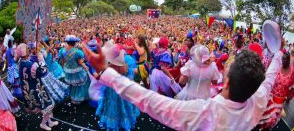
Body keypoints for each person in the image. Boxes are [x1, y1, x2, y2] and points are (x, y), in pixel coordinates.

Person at [83, 41, 283, 130]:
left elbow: (149, 100)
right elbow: (270, 77)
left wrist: (105, 71)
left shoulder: (204, 113)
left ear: (227, 80)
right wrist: (278, 53)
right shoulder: (259, 99)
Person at [95, 41, 140, 130]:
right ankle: (124, 122)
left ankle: (114, 123)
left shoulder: (110, 61)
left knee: (113, 107)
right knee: (125, 106)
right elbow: (135, 72)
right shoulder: (128, 59)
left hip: (112, 89)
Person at [16, 43, 58, 130]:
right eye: (27, 49)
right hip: (36, 90)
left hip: (29, 90)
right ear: (25, 52)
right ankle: (43, 124)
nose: (29, 50)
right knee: (48, 105)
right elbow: (43, 72)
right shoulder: (30, 65)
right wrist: (40, 58)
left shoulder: (20, 62)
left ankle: (49, 122)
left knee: (46, 107)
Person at [258, 52, 294, 130]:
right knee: (267, 116)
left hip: (280, 100)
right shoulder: (278, 66)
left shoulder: (292, 72)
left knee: (273, 120)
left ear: (288, 60)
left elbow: (292, 88)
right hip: (271, 96)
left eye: (285, 60)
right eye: (282, 59)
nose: (283, 61)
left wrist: (288, 98)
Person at [58, 35, 90, 104]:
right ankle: (77, 98)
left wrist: (65, 68)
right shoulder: (78, 52)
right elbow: (80, 62)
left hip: (67, 70)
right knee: (79, 85)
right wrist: (85, 67)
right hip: (77, 71)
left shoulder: (62, 50)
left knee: (71, 84)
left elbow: (63, 62)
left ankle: (70, 96)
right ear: (75, 42)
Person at [0, 47, 20, 114]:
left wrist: (1, 53)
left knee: (7, 97)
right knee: (1, 101)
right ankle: (6, 117)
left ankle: (11, 114)